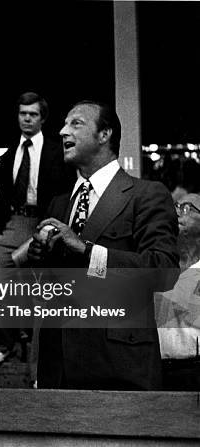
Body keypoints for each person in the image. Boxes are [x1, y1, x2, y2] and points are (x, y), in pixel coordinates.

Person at [28, 100, 179, 390]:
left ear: (104, 134)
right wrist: (39, 262)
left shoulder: (145, 194)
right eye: (64, 123)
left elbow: (163, 271)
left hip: (119, 364)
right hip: (56, 368)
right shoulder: (59, 204)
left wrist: (87, 251)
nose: (62, 131)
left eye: (76, 123)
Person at [0, 92, 75, 365]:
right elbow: (3, 195)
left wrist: (56, 228)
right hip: (13, 222)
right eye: (23, 114)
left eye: (32, 114)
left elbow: (66, 192)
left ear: (42, 118)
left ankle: (36, 351)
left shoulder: (57, 152)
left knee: (39, 294)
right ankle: (6, 343)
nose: (27, 119)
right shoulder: (10, 153)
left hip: (44, 222)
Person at [154, 193, 200, 391]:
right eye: (177, 206)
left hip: (194, 372)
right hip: (154, 370)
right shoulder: (158, 264)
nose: (178, 213)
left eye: (187, 208)